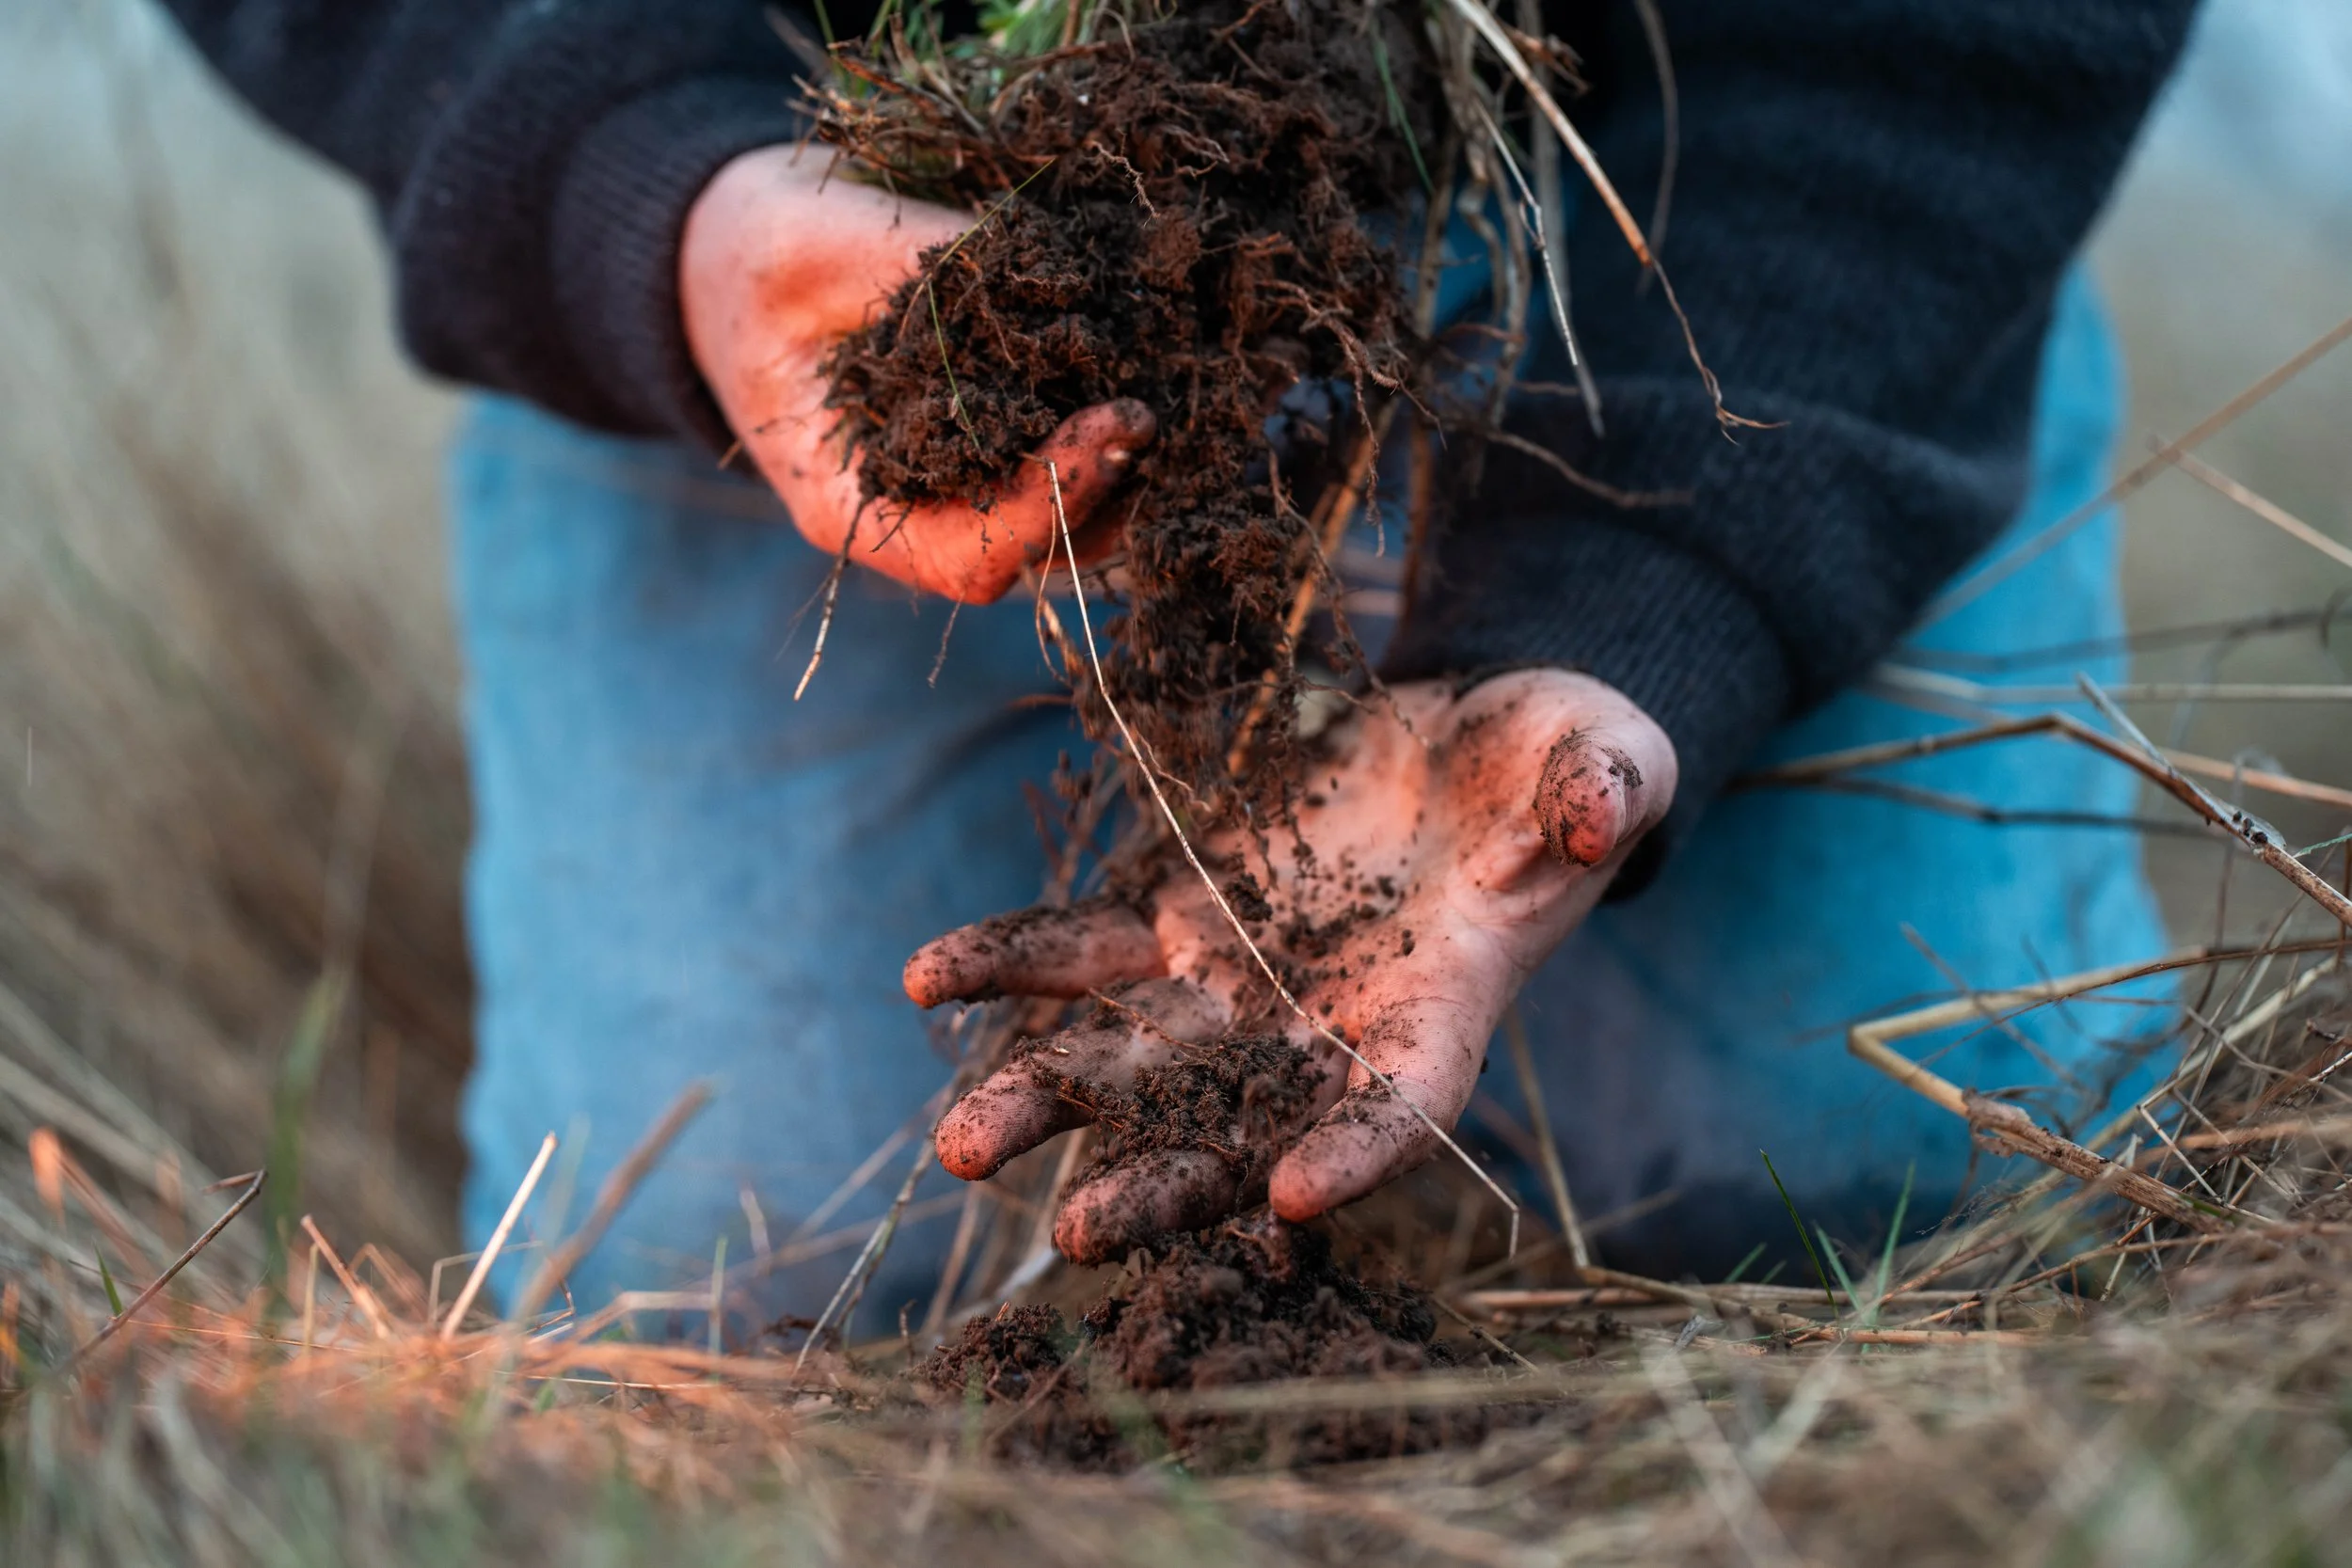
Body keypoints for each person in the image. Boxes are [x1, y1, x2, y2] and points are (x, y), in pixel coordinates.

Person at [159, 0, 2200, 1326]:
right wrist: (646, 195)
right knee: (723, 1279)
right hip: (792, 227)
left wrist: (1652, 593)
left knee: (1901, 1189)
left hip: (1723, 224)